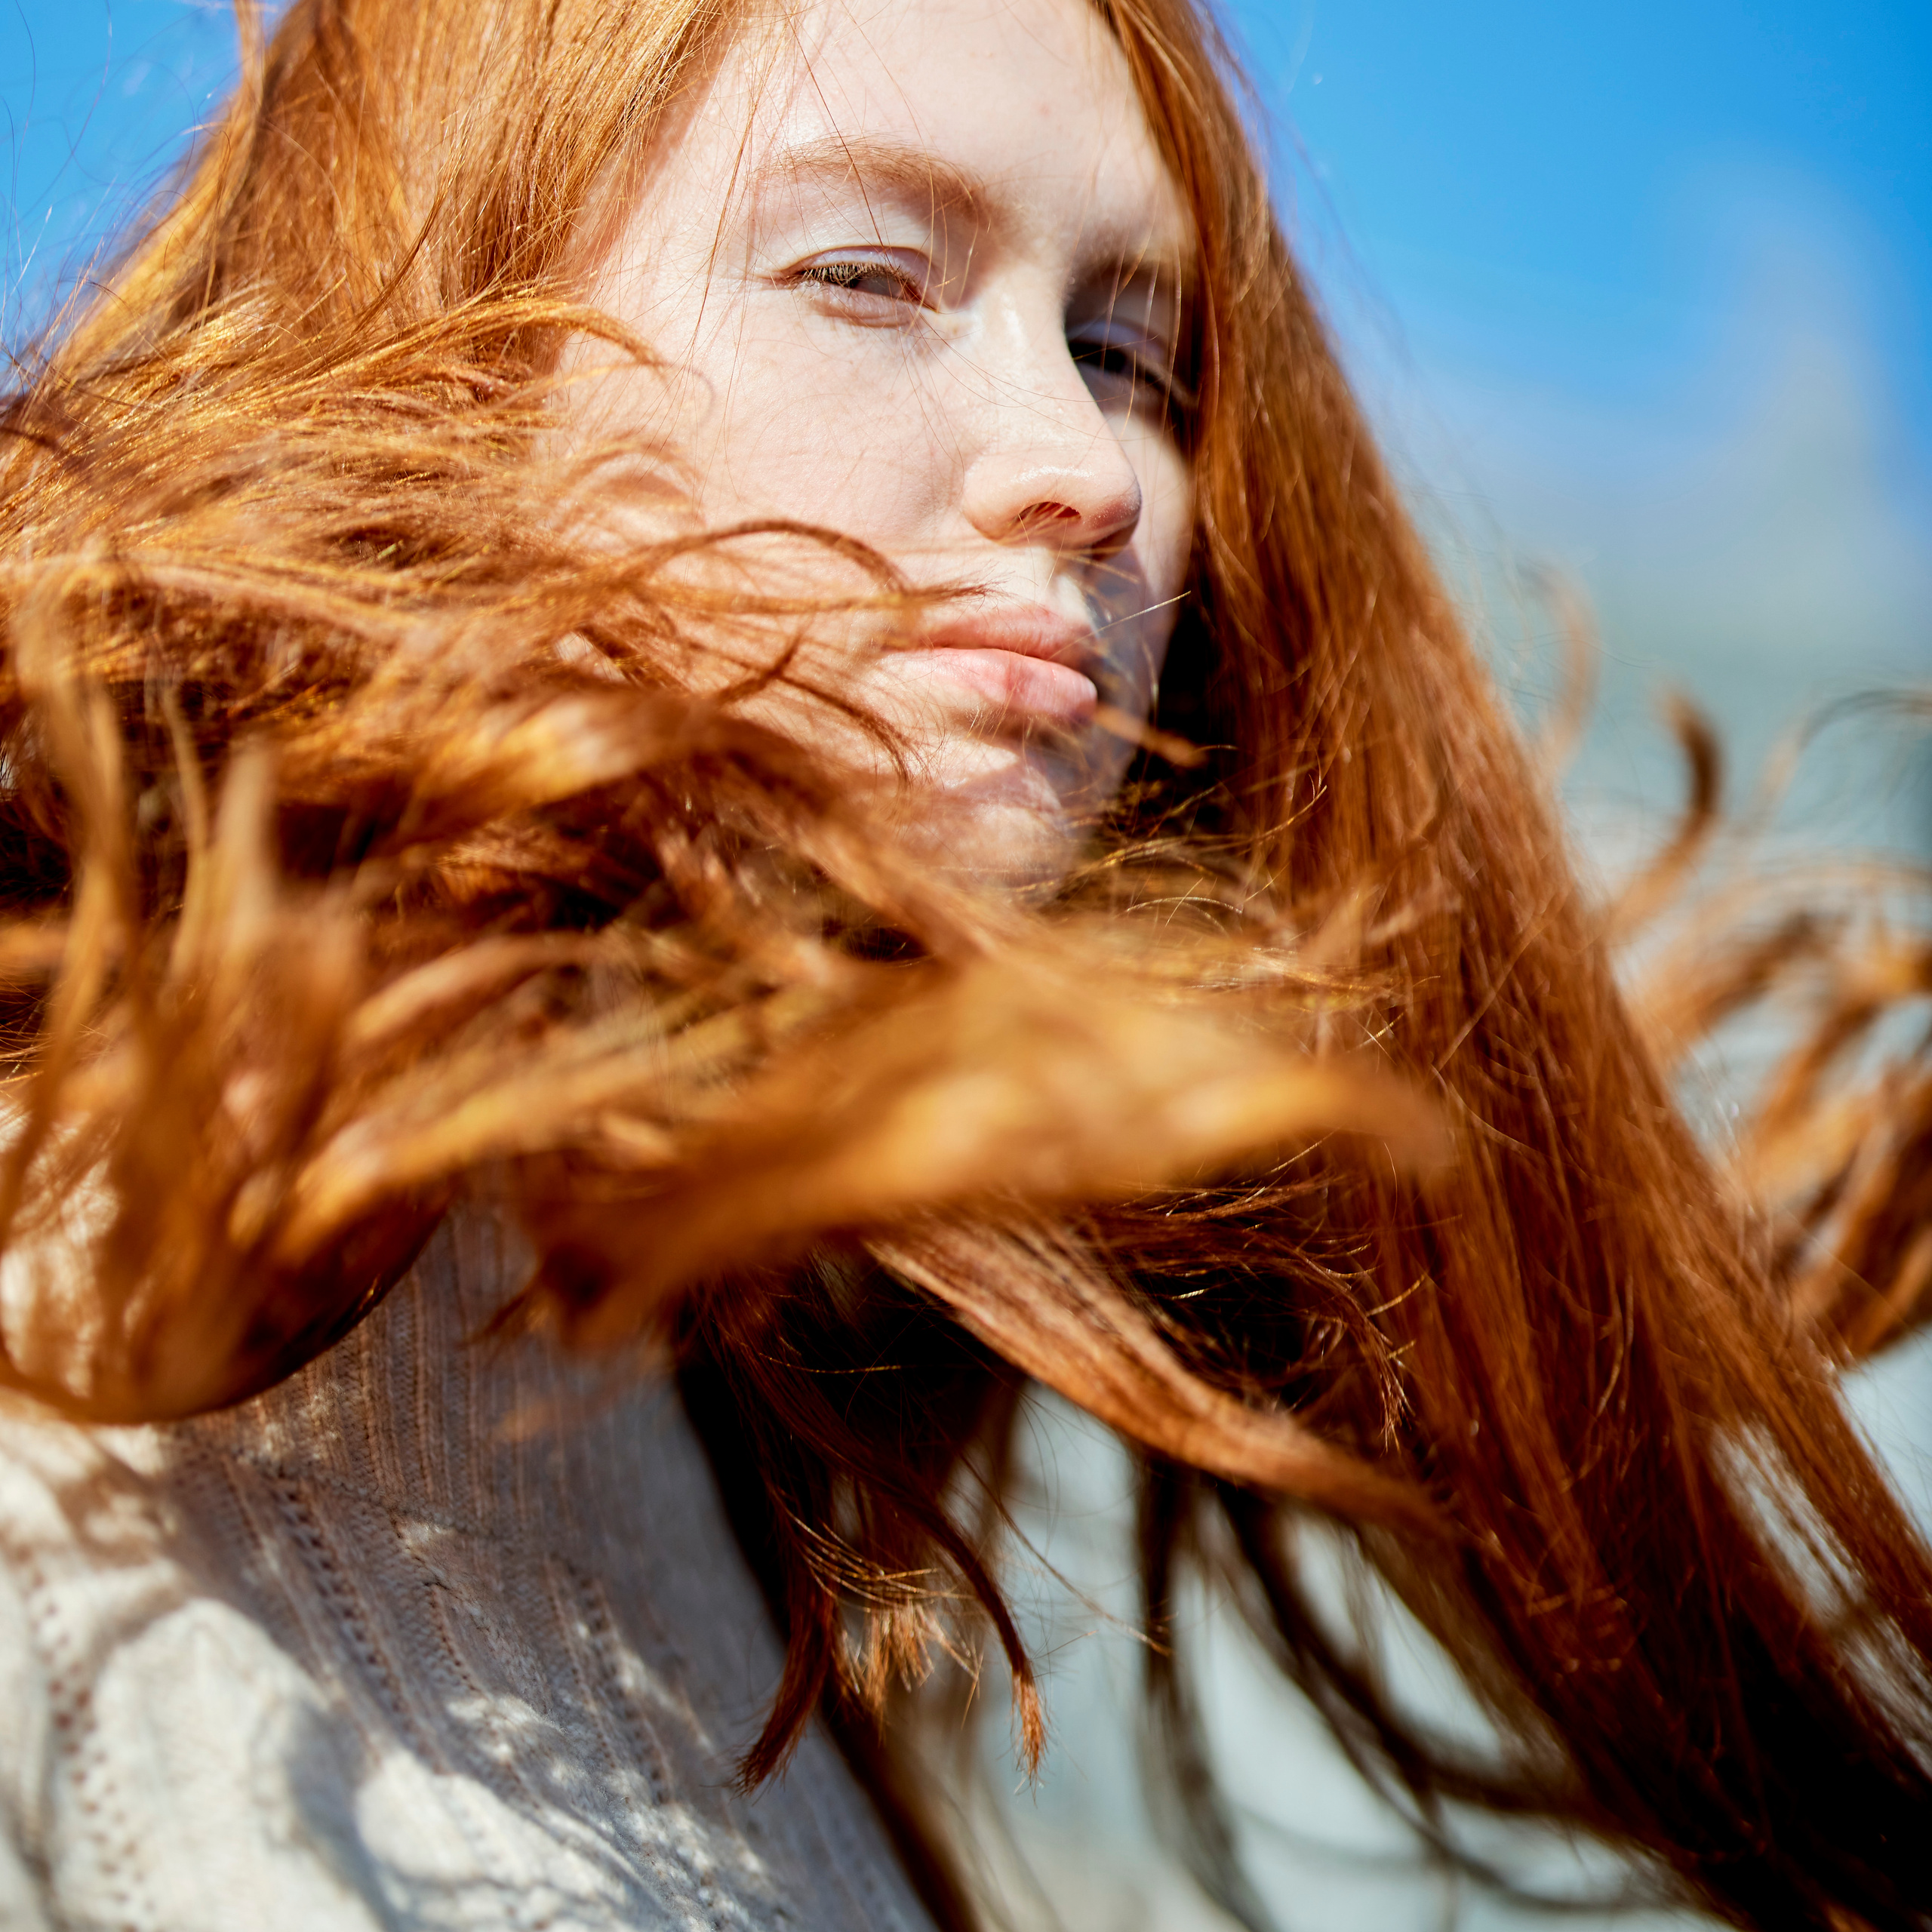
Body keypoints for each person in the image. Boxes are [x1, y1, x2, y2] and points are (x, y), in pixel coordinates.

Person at [0, 0, 1927, 1927]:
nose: (1080, 464)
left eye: (1127, 351)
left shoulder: (697, 1430)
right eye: (866, 274)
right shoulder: (65, 1320)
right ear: (440, 327)